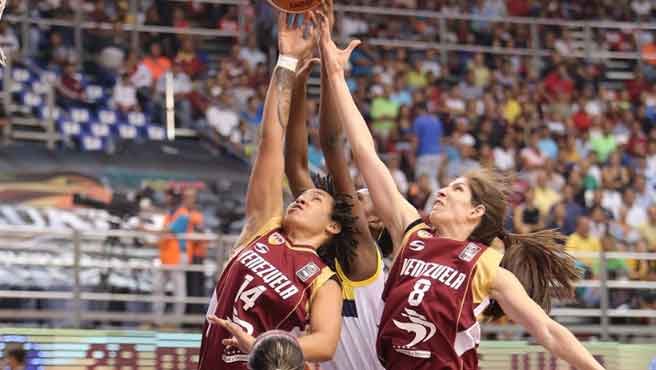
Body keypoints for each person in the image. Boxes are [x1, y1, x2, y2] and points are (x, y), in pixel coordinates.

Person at [313, 10, 605, 370]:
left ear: (476, 211)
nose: (443, 191)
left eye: (456, 189)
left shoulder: (487, 267)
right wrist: (338, 76)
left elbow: (547, 330)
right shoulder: (411, 236)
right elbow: (365, 154)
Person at [197, 13, 355, 370]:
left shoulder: (323, 280)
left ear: (332, 227)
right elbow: (271, 141)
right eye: (304, 194)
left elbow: (326, 342)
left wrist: (264, 345)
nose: (302, 196)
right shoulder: (265, 227)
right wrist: (285, 59)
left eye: (316, 199)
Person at [282, 2, 386, 369]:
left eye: (363, 198)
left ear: (374, 224)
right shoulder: (323, 250)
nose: (356, 194)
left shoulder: (363, 260)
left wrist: (329, 65)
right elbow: (295, 166)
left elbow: (331, 145)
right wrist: (296, 81)